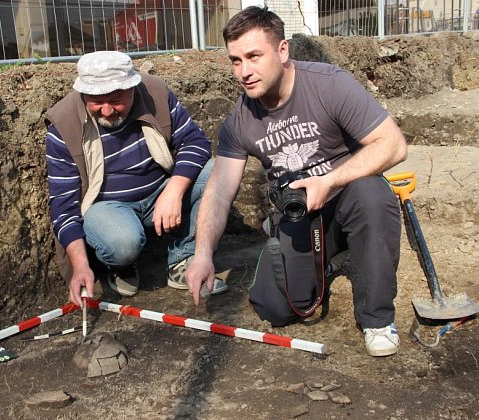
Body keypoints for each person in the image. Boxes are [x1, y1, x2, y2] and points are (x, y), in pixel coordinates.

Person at [185, 7, 408, 357]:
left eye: (254, 56)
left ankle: (377, 319)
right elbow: (219, 191)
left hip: (347, 200)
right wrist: (201, 254)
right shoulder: (239, 121)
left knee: (371, 193)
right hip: (298, 214)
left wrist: (329, 180)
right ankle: (320, 264)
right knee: (276, 309)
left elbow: (393, 145)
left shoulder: (329, 84)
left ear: (283, 50)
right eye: (235, 60)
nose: (244, 71)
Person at [44, 50, 228, 308]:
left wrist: (174, 190)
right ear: (83, 93)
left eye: (116, 100)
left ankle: (183, 259)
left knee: (219, 172)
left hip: (159, 191)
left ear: (133, 88)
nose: (107, 111)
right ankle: (120, 265)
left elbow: (195, 143)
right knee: (122, 242)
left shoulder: (155, 93)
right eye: (96, 101)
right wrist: (81, 266)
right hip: (105, 207)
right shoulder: (64, 126)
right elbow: (63, 206)